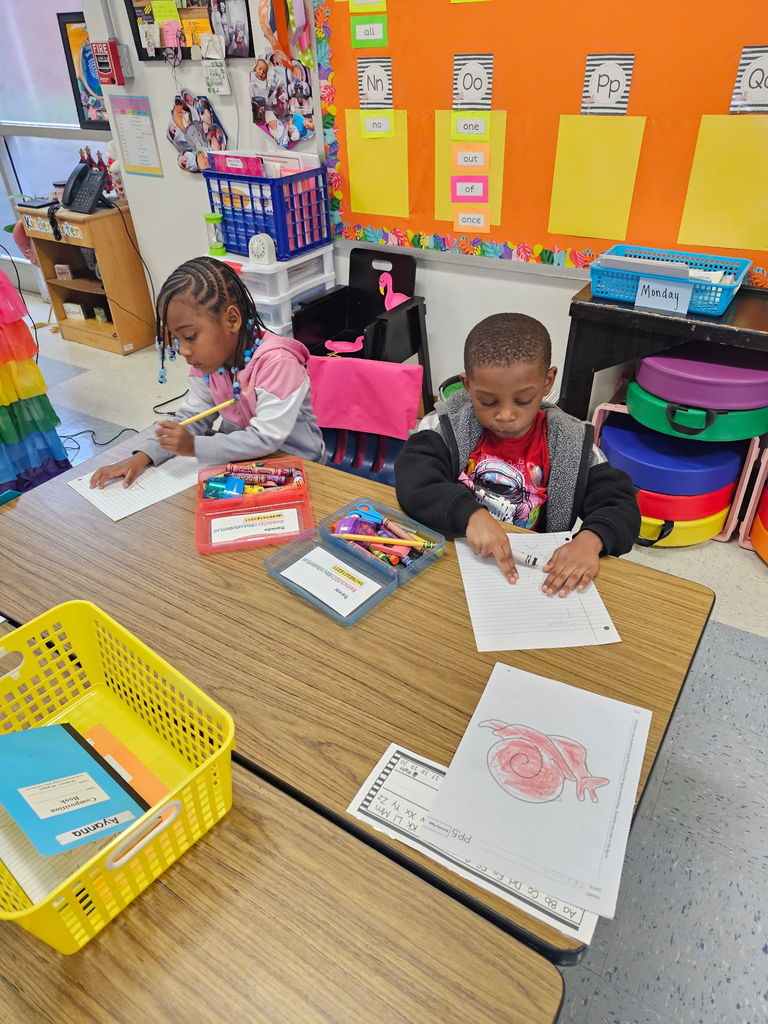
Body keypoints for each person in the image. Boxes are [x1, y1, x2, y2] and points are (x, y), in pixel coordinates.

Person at [395, 313, 640, 597]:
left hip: (530, 576)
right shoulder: (445, 425)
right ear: (467, 385)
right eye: (487, 401)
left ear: (548, 381)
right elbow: (414, 478)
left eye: (523, 400)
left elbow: (621, 506)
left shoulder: (571, 444)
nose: (506, 415)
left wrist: (590, 540)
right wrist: (470, 514)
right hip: (450, 562)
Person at [90, 257, 325, 489]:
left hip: (302, 470)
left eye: (190, 336)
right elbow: (190, 419)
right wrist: (142, 456)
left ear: (232, 320)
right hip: (244, 467)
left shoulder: (278, 363)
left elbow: (265, 438)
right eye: (177, 339)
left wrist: (195, 447)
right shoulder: (210, 363)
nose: (183, 350)